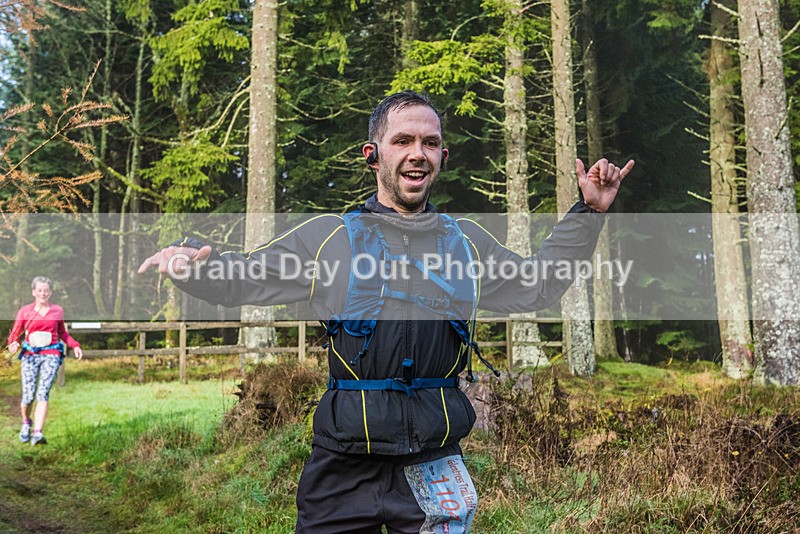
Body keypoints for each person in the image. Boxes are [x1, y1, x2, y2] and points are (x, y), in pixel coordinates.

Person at [138, 90, 633, 533]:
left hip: (433, 462)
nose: (417, 153)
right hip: (342, 465)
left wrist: (588, 213)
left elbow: (538, 286)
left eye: (429, 142)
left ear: (442, 154)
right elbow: (245, 277)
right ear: (373, 155)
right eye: (402, 141)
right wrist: (195, 265)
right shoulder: (329, 238)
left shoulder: (466, 245)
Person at [7, 276, 83, 446]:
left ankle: (37, 434)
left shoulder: (57, 311)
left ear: (50, 292)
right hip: (30, 355)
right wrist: (12, 343)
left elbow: (63, 333)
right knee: (28, 396)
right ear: (34, 292)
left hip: (51, 354)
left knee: (43, 393)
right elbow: (15, 333)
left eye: (46, 290)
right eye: (39, 290)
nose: (43, 293)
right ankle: (26, 423)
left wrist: (75, 345)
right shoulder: (25, 311)